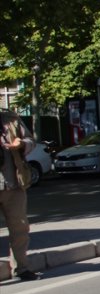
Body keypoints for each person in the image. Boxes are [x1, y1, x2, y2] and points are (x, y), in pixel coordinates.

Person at [1, 108, 38, 280]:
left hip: (14, 184)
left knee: (20, 228)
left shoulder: (11, 118)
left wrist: (22, 144)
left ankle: (21, 268)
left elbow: (31, 140)